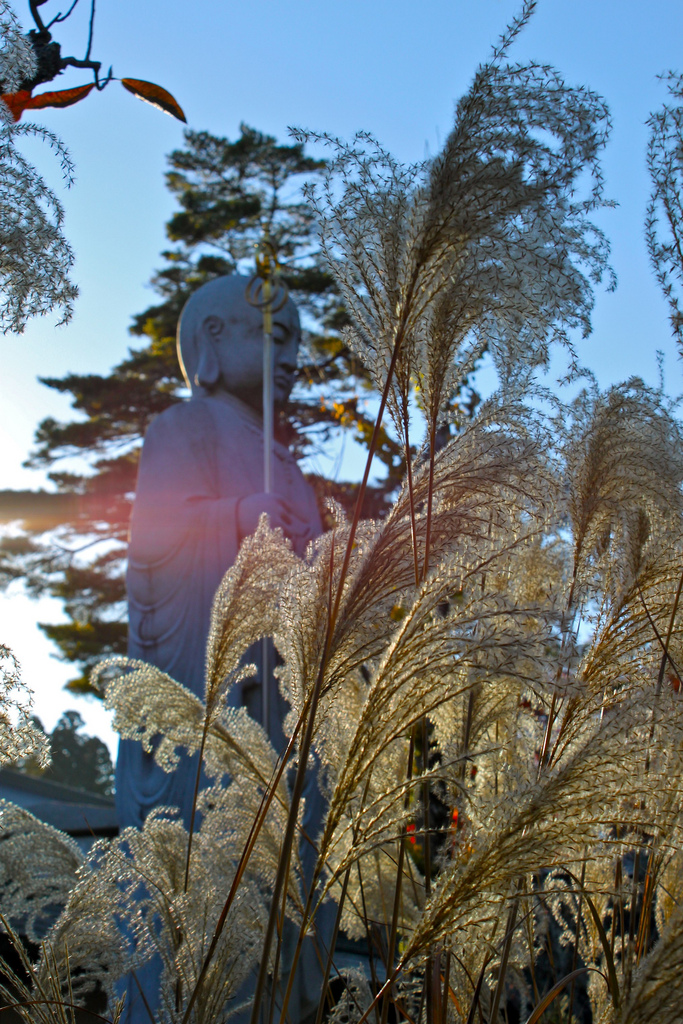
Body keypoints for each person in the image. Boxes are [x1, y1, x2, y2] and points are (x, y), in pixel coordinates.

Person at [115, 273, 325, 1022]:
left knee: (284, 902)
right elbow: (153, 544)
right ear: (208, 342)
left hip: (282, 713)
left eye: (297, 339)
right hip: (219, 696)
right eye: (273, 334)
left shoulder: (290, 469)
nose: (292, 353)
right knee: (210, 895)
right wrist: (239, 516)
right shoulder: (184, 431)